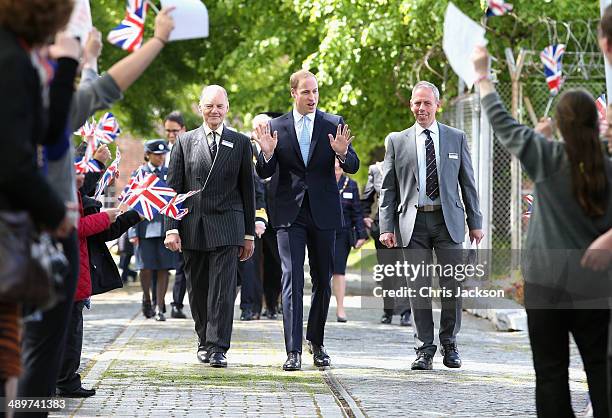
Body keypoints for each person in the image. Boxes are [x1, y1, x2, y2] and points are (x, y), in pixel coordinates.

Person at [473, 45, 611, 418]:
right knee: (600, 368)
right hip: (596, 285)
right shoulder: (607, 166)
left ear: (561, 125)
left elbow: (503, 123)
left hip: (546, 283)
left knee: (550, 373)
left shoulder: (548, 157)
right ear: (596, 123)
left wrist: (483, 76)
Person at [253, 69, 359, 371]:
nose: (312, 97)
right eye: (306, 92)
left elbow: (352, 164)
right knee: (292, 278)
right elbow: (264, 172)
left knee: (323, 280)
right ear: (293, 93)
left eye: (315, 92)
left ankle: (317, 341)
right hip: (289, 214)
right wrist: (267, 154)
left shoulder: (333, 123)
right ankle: (293, 350)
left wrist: (342, 154)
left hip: (324, 213)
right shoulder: (276, 126)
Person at [379, 81, 483, 371]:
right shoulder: (397, 141)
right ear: (411, 105)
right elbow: (388, 190)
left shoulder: (456, 138)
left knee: (452, 286)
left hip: (448, 221)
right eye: (416, 103)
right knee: (418, 287)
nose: (421, 108)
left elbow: (468, 183)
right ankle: (424, 348)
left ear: (438, 105)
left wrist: (475, 222)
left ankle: (449, 343)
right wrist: (386, 227)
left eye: (426, 103)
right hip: (413, 223)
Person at [164, 85, 255, 368]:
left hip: (228, 225)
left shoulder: (240, 143)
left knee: (223, 289)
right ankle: (204, 339)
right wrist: (171, 227)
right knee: (199, 287)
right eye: (209, 106)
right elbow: (173, 189)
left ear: (227, 108)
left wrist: (249, 233)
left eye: (219, 106)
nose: (214, 111)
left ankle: (218, 347)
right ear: (199, 108)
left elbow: (248, 191)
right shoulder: (185, 142)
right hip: (194, 224)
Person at [130, 140, 177, 321]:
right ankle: (147, 300)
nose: (161, 157)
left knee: (164, 268)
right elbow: (133, 204)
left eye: (163, 154)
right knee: (146, 267)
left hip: (165, 227)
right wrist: (133, 232)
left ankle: (160, 307)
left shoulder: (169, 173)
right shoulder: (140, 174)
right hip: (144, 227)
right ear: (147, 155)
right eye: (157, 154)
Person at [361, 160, 412, 326]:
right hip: (383, 226)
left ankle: (406, 312)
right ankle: (388, 310)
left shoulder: (410, 165)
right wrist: (366, 217)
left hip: (407, 225)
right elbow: (367, 196)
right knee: (387, 270)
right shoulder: (376, 170)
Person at [332, 159, 367, 322]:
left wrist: (361, 234)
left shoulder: (350, 185)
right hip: (323, 231)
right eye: (333, 162)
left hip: (343, 234)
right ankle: (321, 307)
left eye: (339, 163)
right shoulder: (321, 181)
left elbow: (357, 212)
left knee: (339, 271)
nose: (336, 166)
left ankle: (340, 309)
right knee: (322, 271)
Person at [163, 111, 189, 318]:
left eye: (174, 130)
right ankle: (175, 303)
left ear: (183, 129)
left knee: (188, 264)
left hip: (188, 211)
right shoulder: (163, 153)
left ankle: (180, 303)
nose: (171, 135)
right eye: (168, 131)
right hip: (170, 212)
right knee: (178, 265)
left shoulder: (191, 146)